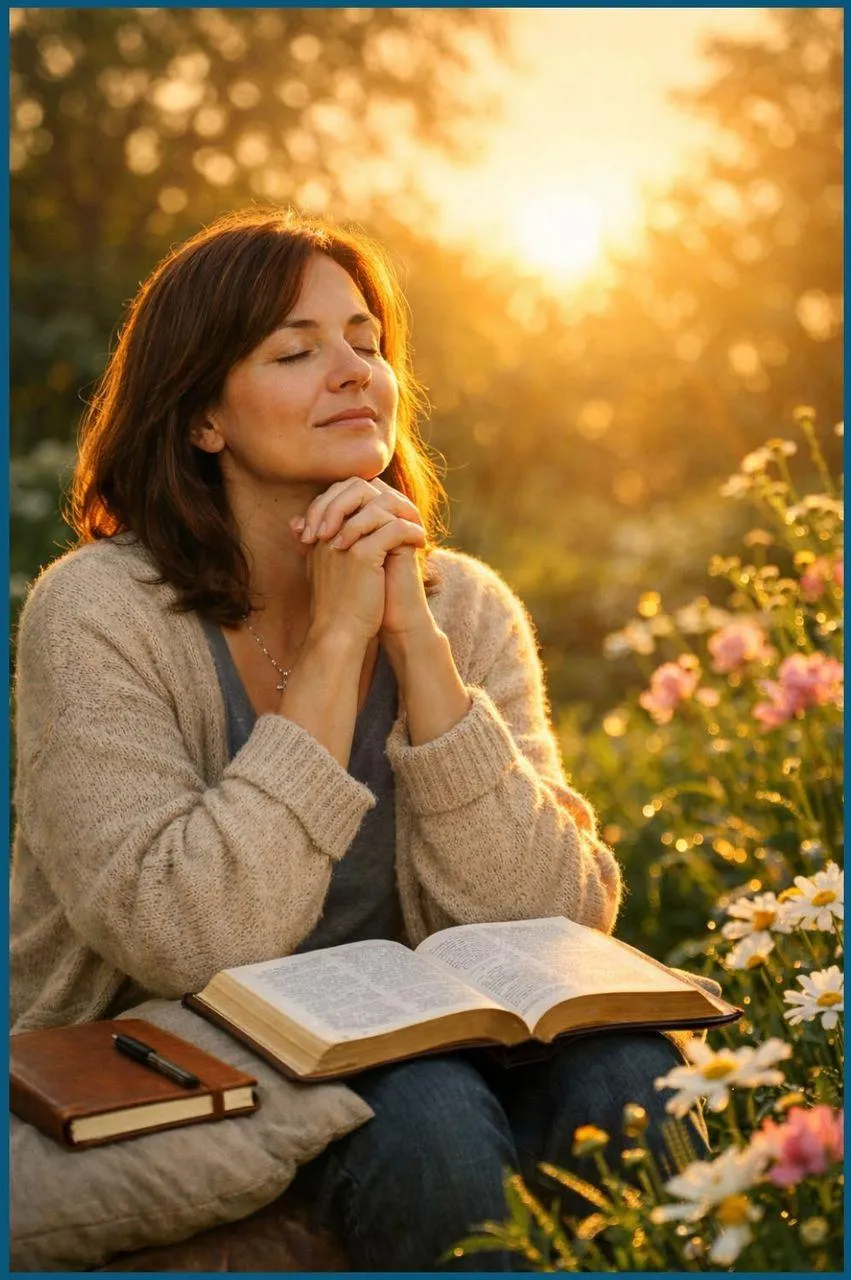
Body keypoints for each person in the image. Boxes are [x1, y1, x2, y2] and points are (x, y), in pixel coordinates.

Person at [11, 208, 707, 1270]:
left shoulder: (464, 605)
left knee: (629, 1071)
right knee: (421, 1102)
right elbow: (185, 937)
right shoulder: (97, 612)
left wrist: (414, 644)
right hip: (184, 1050)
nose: (351, 371)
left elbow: (558, 924)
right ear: (202, 418)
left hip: (430, 1036)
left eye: (365, 342)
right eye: (294, 352)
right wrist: (338, 641)